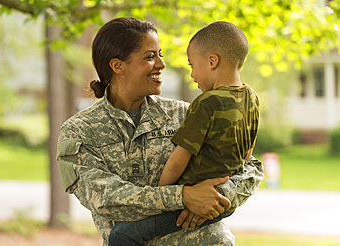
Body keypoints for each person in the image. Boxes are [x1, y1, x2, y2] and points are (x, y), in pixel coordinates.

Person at [56, 17, 264, 246]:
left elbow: (249, 169)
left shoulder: (187, 113)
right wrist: (185, 197)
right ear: (117, 66)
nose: (161, 64)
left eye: (160, 54)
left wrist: (215, 197)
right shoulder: (80, 131)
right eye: (149, 57)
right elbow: (106, 198)